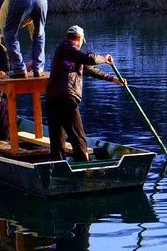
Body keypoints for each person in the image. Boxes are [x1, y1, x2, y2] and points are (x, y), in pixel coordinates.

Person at [44, 25, 125, 161]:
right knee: (77, 135)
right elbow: (91, 59)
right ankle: (84, 167)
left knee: (57, 138)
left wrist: (113, 79)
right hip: (65, 98)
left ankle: (58, 167)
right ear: (80, 38)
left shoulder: (70, 53)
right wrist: (104, 58)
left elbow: (89, 68)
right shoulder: (67, 48)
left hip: (52, 99)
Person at [0, 0, 48, 78]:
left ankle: (19, 70)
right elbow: (36, 36)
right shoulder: (29, 17)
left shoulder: (2, 18)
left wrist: (18, 64)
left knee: (10, 34)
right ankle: (38, 69)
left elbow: (9, 38)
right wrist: (35, 61)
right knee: (40, 34)